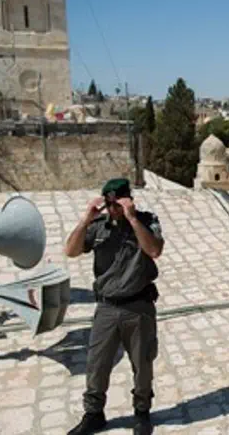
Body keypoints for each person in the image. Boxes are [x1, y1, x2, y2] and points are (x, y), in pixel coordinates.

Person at [64, 178, 165, 435]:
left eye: (117, 204)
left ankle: (142, 413)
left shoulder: (146, 220)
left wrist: (132, 219)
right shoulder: (99, 226)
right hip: (107, 308)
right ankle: (94, 413)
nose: (112, 209)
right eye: (109, 205)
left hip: (138, 306)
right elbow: (71, 250)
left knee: (142, 364)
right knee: (96, 364)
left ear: (127, 199)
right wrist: (86, 219)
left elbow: (154, 250)